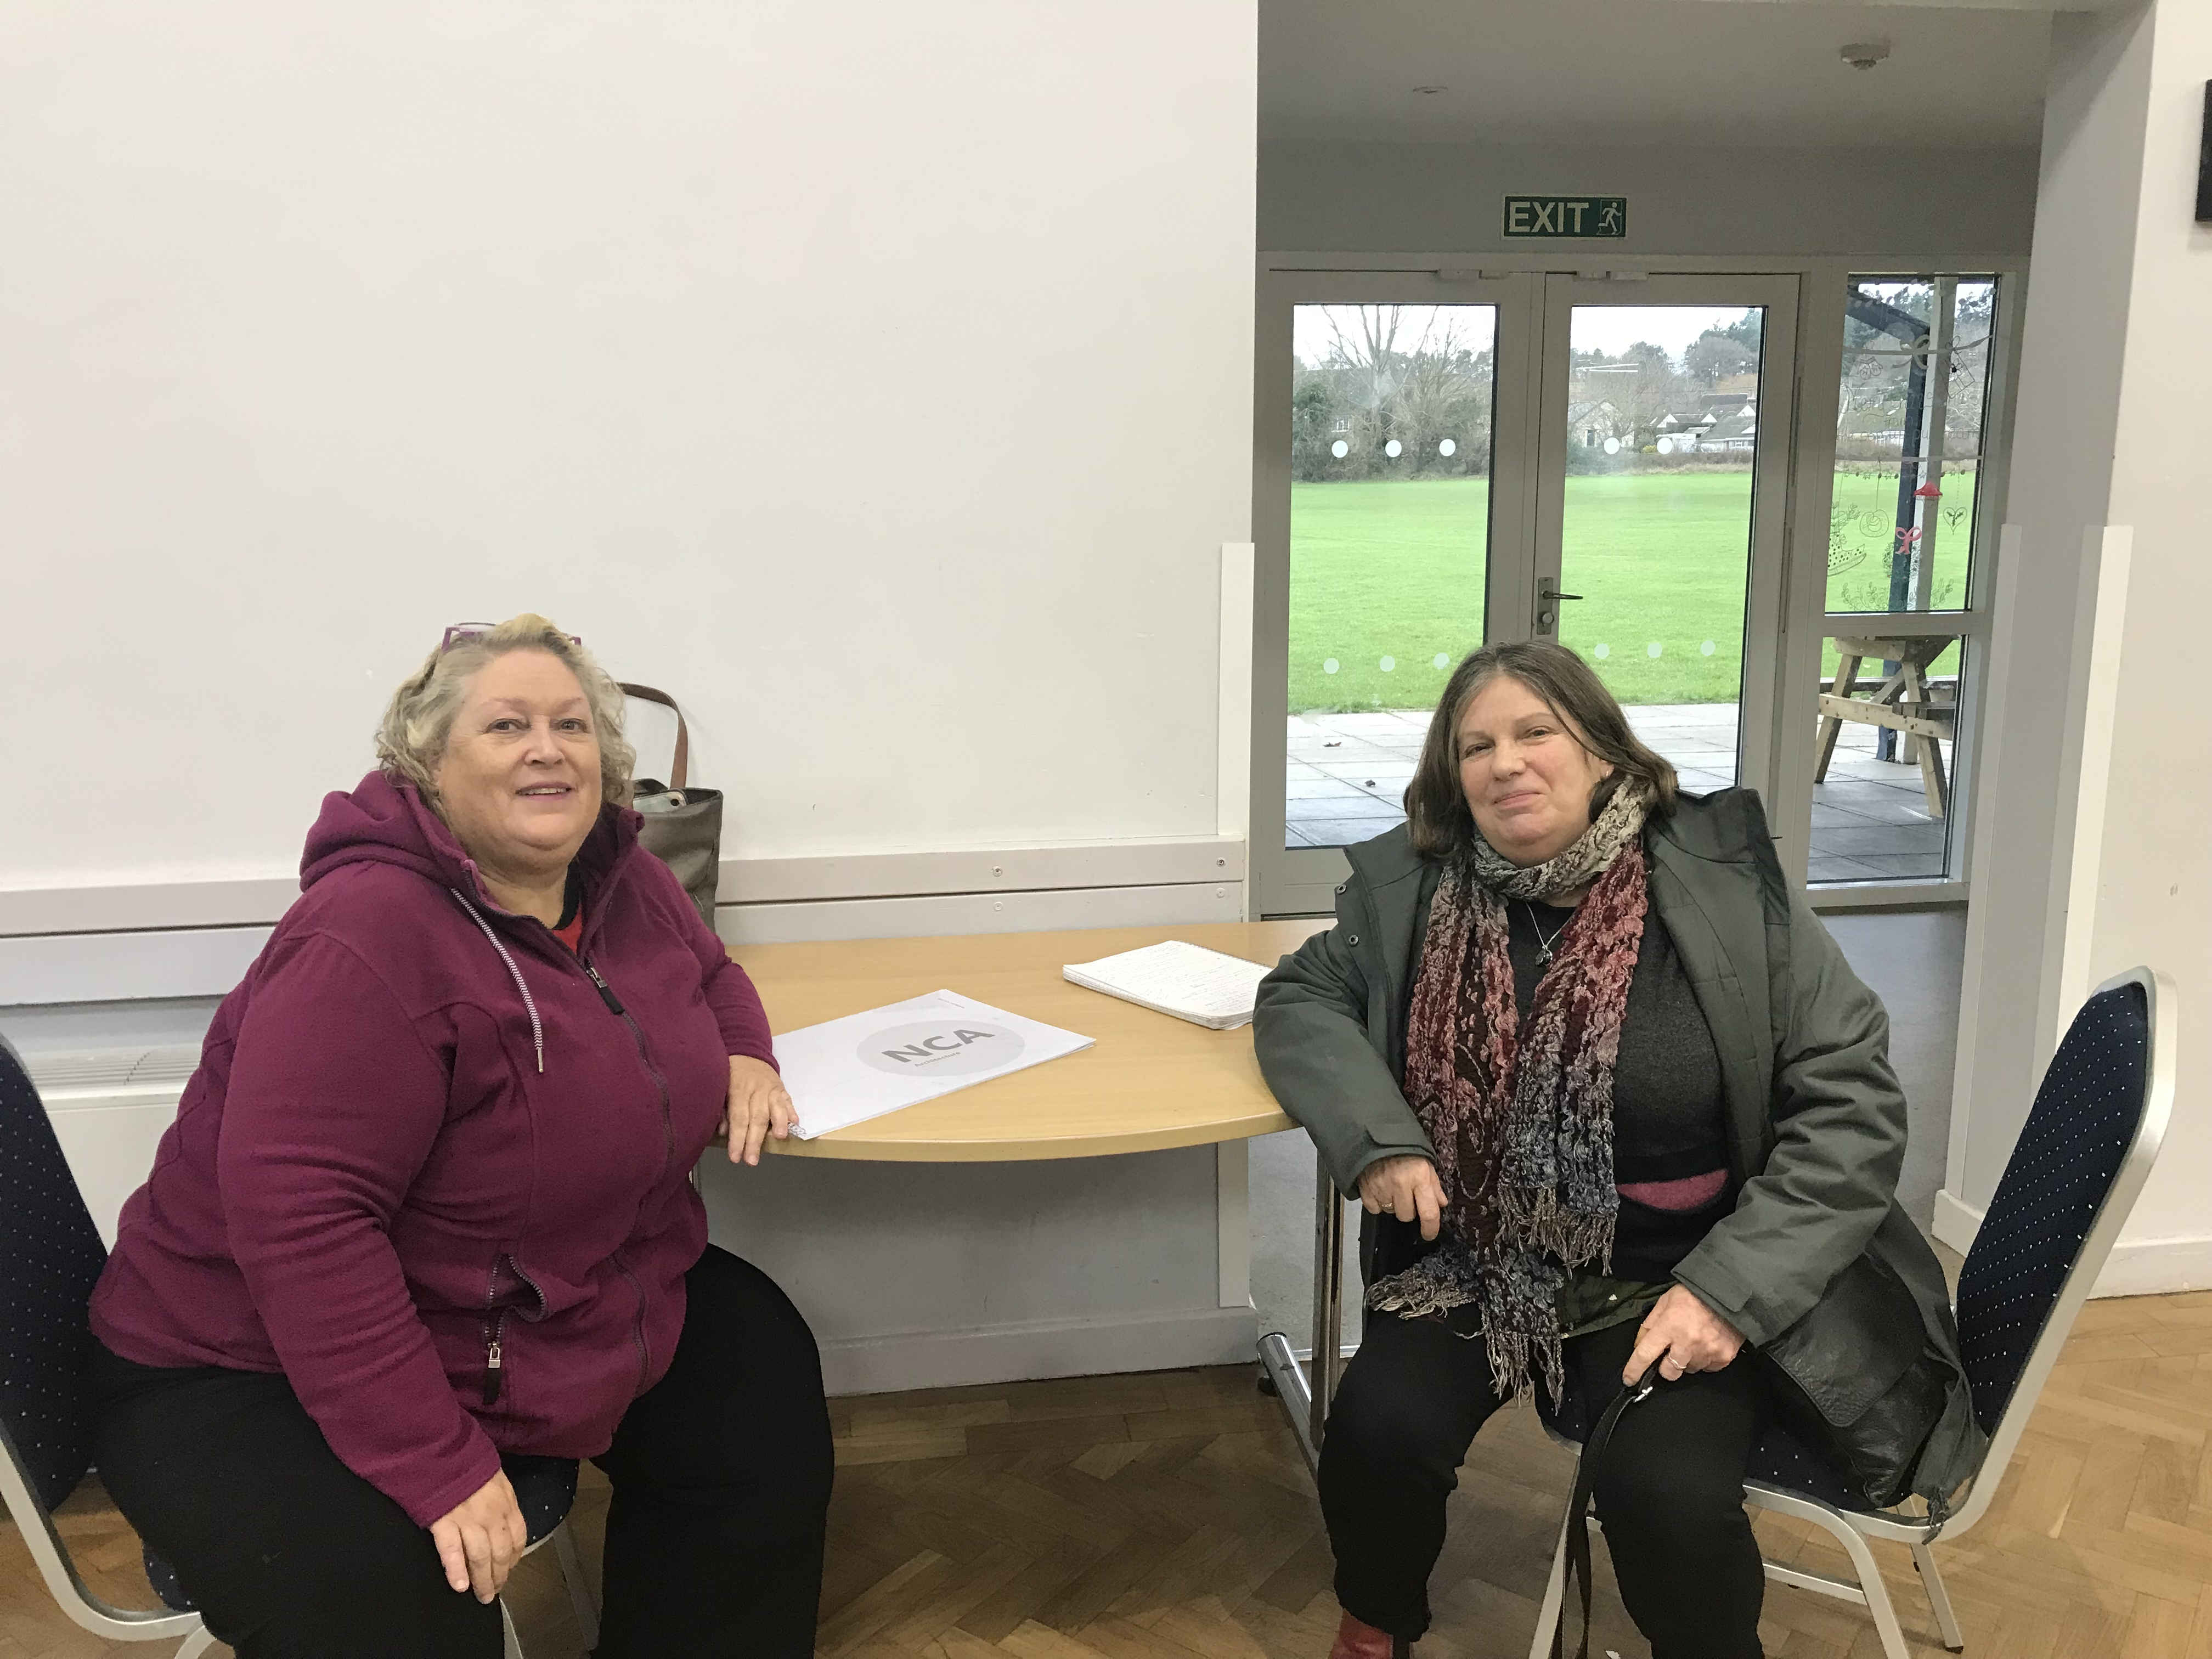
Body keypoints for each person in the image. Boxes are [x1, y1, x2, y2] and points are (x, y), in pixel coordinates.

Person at [87, 615, 833, 1659]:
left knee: (751, 1371)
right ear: (427, 767)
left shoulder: (621, 879)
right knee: (405, 1607)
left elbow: (710, 976)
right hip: (243, 1362)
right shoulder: (367, 937)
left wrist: (746, 1051)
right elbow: (304, 1227)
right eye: (507, 725)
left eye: (572, 724)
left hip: (518, 1300)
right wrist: (435, 1459)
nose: (548, 747)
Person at [1254, 640, 1977, 1659]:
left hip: (1684, 1272)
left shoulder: (1727, 893)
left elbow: (1850, 1106)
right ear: (1451, 776)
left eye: (1535, 732)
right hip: (1490, 1261)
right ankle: (1376, 1620)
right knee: (1377, 1428)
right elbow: (1298, 995)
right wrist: (1380, 1138)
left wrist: (1729, 1291)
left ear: (1601, 753)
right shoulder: (1422, 894)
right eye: (1476, 745)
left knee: (1665, 1499)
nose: (1506, 763)